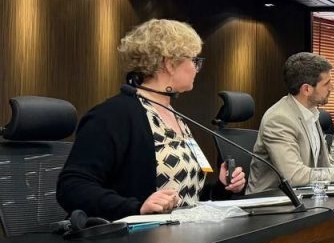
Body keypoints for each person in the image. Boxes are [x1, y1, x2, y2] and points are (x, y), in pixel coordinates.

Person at [58, 19, 246, 221]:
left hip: (182, 235)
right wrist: (136, 208)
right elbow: (72, 187)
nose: (196, 68)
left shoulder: (174, 116)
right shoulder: (113, 115)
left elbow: (185, 198)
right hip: (136, 238)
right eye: (194, 60)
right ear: (169, 63)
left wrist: (222, 187)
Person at [249, 52, 334, 193]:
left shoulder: (311, 113)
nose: (332, 88)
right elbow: (294, 176)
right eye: (326, 83)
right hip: (272, 200)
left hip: (305, 195)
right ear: (306, 89)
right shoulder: (279, 119)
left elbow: (317, 168)